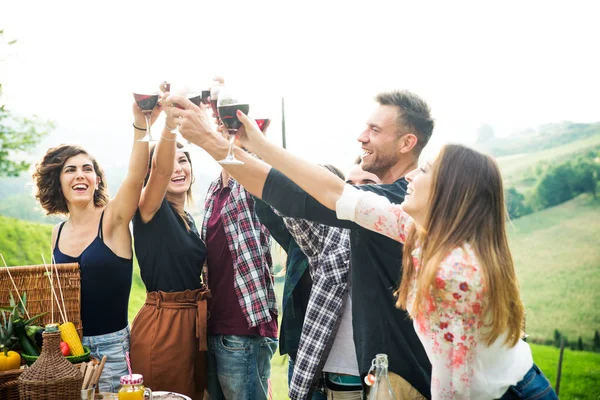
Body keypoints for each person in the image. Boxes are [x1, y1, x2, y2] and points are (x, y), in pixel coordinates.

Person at [225, 129, 558, 398]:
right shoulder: (415, 230)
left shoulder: (455, 273)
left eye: (425, 170)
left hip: (508, 393)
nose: (412, 177)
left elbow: (456, 383)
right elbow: (334, 193)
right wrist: (253, 143)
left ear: (448, 191)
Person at [171, 89, 433, 398]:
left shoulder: (402, 206)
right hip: (364, 378)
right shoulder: (382, 209)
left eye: (375, 130)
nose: (362, 137)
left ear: (407, 143)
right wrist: (254, 144)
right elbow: (293, 199)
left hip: (398, 382)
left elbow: (313, 195)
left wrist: (211, 141)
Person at [33, 100, 157, 392]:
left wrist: (141, 122)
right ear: (58, 182)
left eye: (87, 169)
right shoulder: (57, 233)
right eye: (70, 170)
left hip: (111, 352)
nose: (80, 174)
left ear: (96, 180)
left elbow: (136, 175)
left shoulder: (113, 220)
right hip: (68, 351)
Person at [129, 88, 210, 400]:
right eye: (171, 161)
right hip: (164, 327)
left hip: (193, 325)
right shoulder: (150, 208)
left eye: (185, 160)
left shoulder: (187, 218)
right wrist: (170, 124)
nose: (178, 169)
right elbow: (161, 171)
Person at [201, 128, 278, 399]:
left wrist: (250, 138)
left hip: (243, 328)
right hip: (215, 326)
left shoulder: (248, 186)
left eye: (229, 132)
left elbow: (262, 171)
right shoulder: (213, 189)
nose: (223, 136)